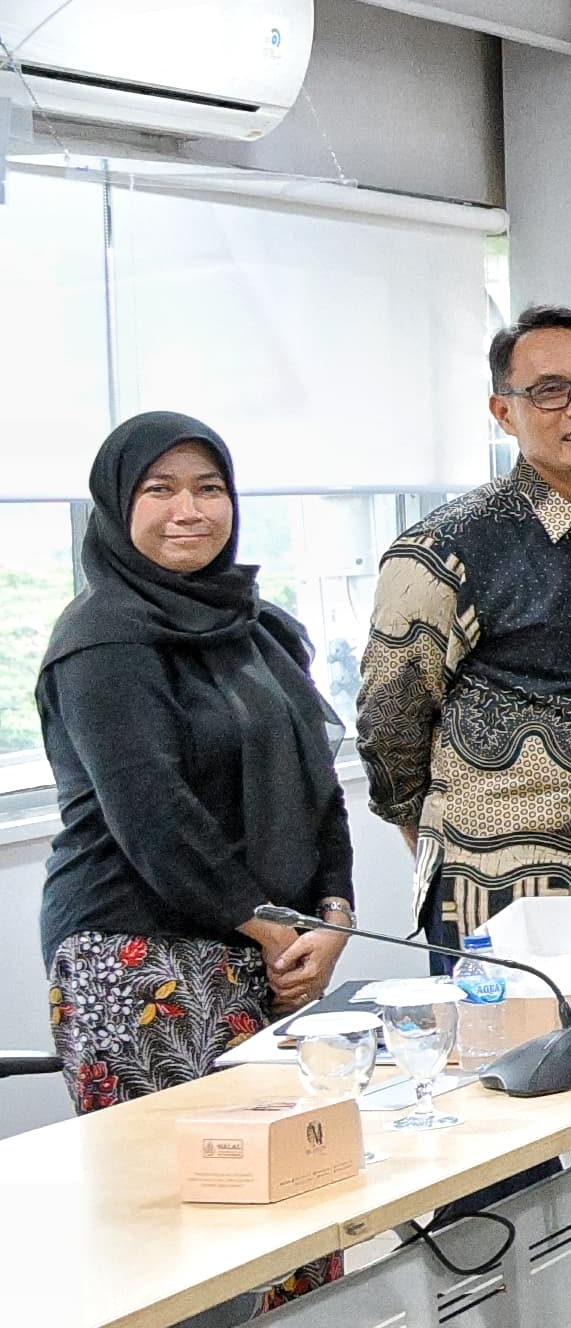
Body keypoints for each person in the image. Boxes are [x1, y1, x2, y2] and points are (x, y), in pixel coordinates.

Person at [37, 415, 355, 1111]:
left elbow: (317, 785)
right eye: (160, 489)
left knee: (297, 1179)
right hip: (141, 955)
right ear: (119, 506)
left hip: (272, 948)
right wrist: (274, 929)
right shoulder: (103, 640)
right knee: (192, 1197)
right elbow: (152, 813)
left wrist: (333, 915)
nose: (189, 511)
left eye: (209, 489)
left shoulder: (259, 628)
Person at [355, 308, 571, 970]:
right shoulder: (446, 547)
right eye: (550, 391)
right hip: (498, 894)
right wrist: (441, 840)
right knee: (505, 1075)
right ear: (504, 413)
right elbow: (390, 722)